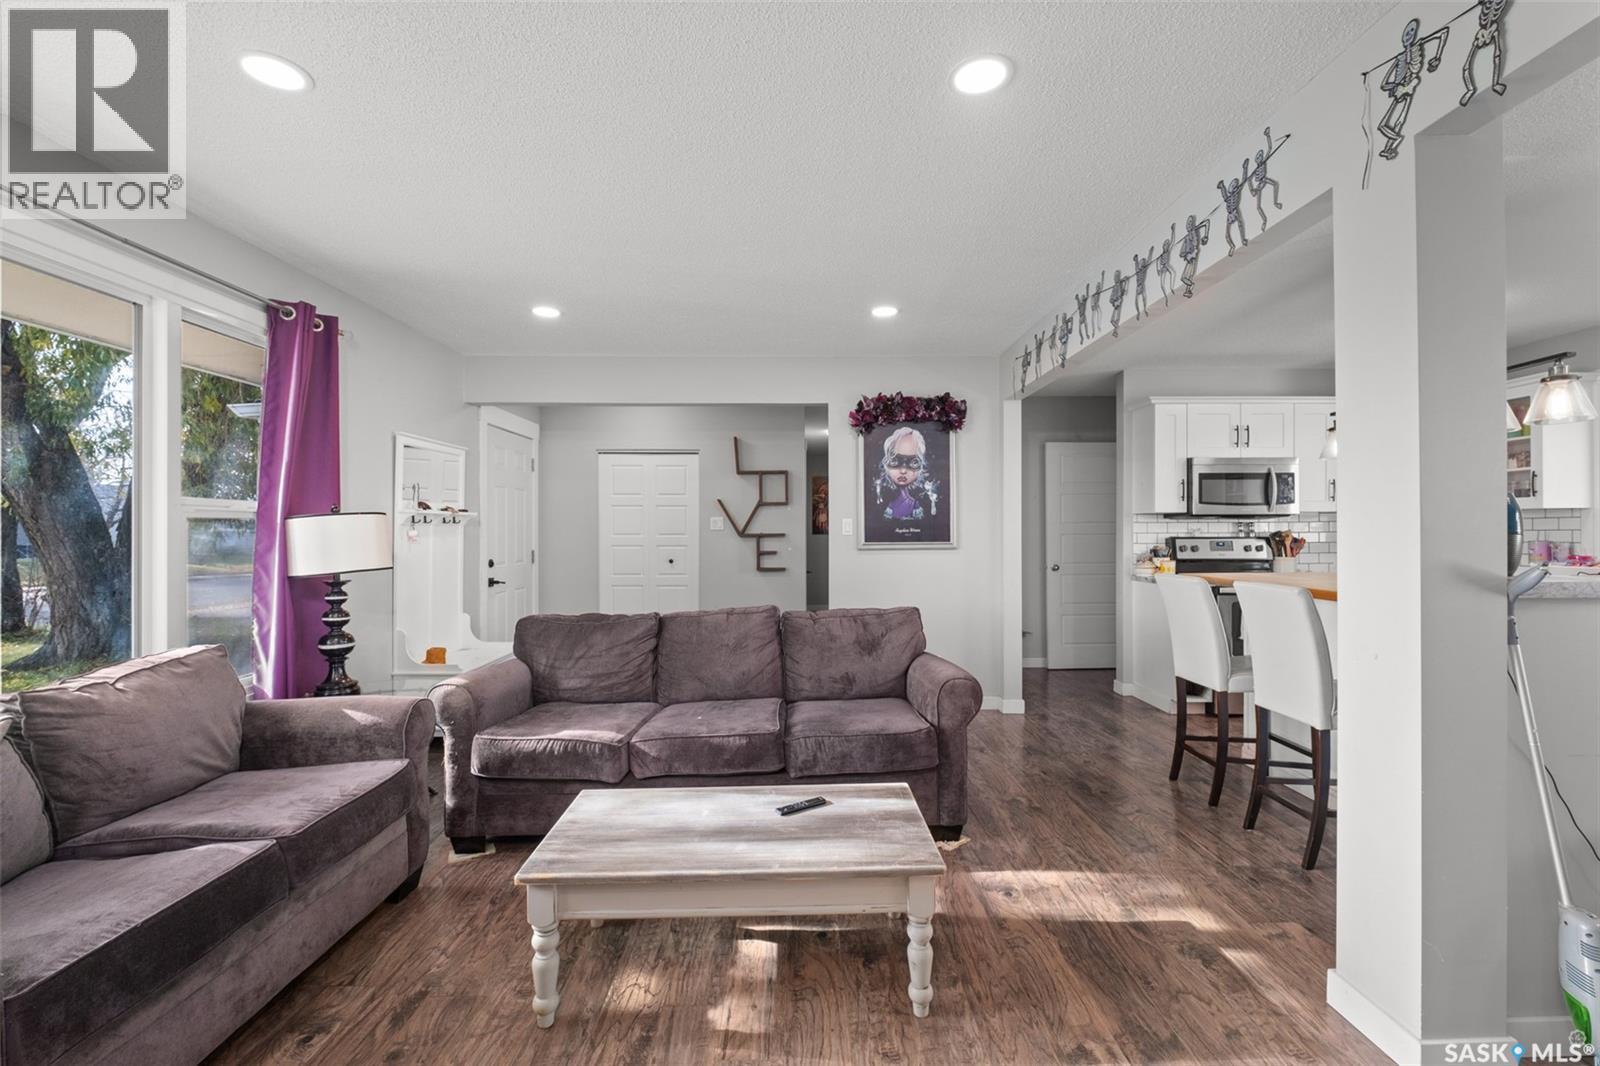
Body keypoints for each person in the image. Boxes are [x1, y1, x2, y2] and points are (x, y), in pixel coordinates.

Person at [866, 425, 949, 544]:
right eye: (895, 461)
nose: (903, 470)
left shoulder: (921, 502)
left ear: (921, 466)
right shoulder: (880, 501)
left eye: (913, 462)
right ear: (885, 463)